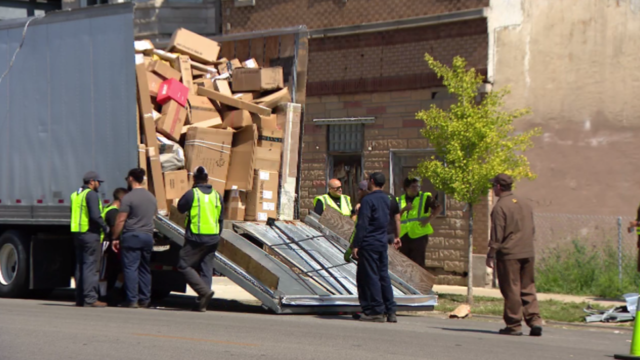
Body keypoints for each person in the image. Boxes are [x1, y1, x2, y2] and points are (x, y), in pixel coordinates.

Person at [486, 173, 542, 336]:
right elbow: (532, 229)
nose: (492, 189)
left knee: (511, 289)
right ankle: (534, 321)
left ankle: (514, 324)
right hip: (527, 251)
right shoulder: (525, 204)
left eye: (493, 186)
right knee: (528, 287)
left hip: (509, 254)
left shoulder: (500, 207)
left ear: (498, 187)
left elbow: (497, 233)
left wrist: (491, 253)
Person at [351, 172, 397, 323]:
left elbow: (363, 223)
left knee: (370, 276)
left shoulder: (368, 200)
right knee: (383, 275)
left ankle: (375, 310)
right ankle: (390, 310)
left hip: (369, 242)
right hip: (382, 241)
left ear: (371, 181)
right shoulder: (387, 199)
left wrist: (356, 244)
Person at [176, 166, 223, 312]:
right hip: (213, 237)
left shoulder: (193, 194)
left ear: (194, 179)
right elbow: (221, 218)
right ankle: (202, 302)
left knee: (183, 264)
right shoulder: (217, 195)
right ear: (207, 179)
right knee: (206, 268)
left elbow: (180, 208)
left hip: (196, 237)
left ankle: (204, 292)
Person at [111, 168, 157, 308]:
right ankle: (145, 299)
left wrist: (115, 237)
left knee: (131, 268)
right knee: (144, 268)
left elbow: (120, 220)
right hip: (147, 236)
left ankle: (132, 299)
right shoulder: (151, 197)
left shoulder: (128, 198)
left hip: (132, 236)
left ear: (131, 179)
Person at [70, 171, 110, 308]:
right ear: (92, 181)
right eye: (98, 182)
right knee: (91, 267)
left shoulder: (76, 194)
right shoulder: (91, 194)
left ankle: (80, 298)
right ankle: (90, 298)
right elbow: (95, 215)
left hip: (78, 233)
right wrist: (105, 228)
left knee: (80, 266)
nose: (99, 185)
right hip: (90, 234)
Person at [397, 178, 439, 268]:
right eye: (413, 186)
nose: (416, 188)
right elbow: (396, 217)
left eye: (418, 186)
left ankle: (418, 282)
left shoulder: (425, 197)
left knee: (418, 263)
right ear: (406, 188)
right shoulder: (400, 200)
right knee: (404, 262)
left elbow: (438, 208)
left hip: (419, 235)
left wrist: (428, 220)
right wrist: (404, 209)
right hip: (404, 235)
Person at [99, 187, 128, 304]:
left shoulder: (108, 208)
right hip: (107, 244)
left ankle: (110, 293)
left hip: (107, 243)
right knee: (105, 271)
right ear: (122, 199)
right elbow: (114, 229)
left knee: (113, 270)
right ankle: (104, 296)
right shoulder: (113, 212)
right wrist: (117, 238)